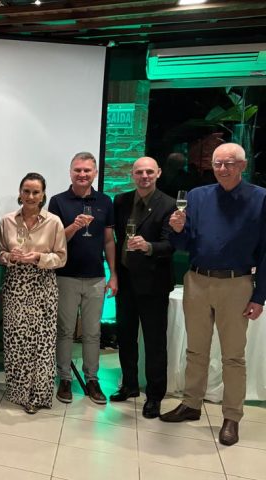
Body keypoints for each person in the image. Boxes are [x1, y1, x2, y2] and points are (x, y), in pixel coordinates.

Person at [160, 143, 266, 446]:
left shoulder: (261, 198)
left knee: (233, 356)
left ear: (243, 165)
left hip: (237, 283)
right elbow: (184, 244)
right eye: (218, 163)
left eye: (229, 163)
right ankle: (191, 404)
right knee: (195, 350)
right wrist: (177, 230)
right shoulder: (197, 196)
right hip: (196, 280)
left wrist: (259, 296)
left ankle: (232, 417)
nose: (222, 169)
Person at [48, 151, 117, 405]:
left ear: (95, 173)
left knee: (92, 332)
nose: (82, 174)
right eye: (77, 170)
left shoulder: (105, 201)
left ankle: (92, 379)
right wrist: (75, 226)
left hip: (96, 277)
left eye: (87, 170)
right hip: (65, 275)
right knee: (65, 331)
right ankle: (65, 378)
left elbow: (108, 241)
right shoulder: (57, 201)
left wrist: (113, 275)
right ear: (70, 172)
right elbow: (55, 240)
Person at [112, 157, 176, 419]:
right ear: (132, 174)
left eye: (149, 171)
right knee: (125, 337)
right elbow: (117, 238)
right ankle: (129, 385)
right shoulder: (121, 201)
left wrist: (148, 246)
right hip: (126, 280)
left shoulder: (169, 204)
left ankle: (154, 396)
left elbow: (171, 245)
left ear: (158, 173)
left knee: (154, 342)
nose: (144, 176)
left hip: (153, 284)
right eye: (139, 172)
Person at [0, 173, 66, 414]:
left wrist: (38, 257)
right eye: (26, 191)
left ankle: (38, 395)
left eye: (36, 192)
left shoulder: (54, 222)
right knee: (16, 341)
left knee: (42, 341)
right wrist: (9, 257)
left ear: (43, 195)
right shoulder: (7, 221)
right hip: (16, 285)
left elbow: (61, 258)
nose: (30, 196)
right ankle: (18, 392)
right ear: (20, 193)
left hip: (43, 285)